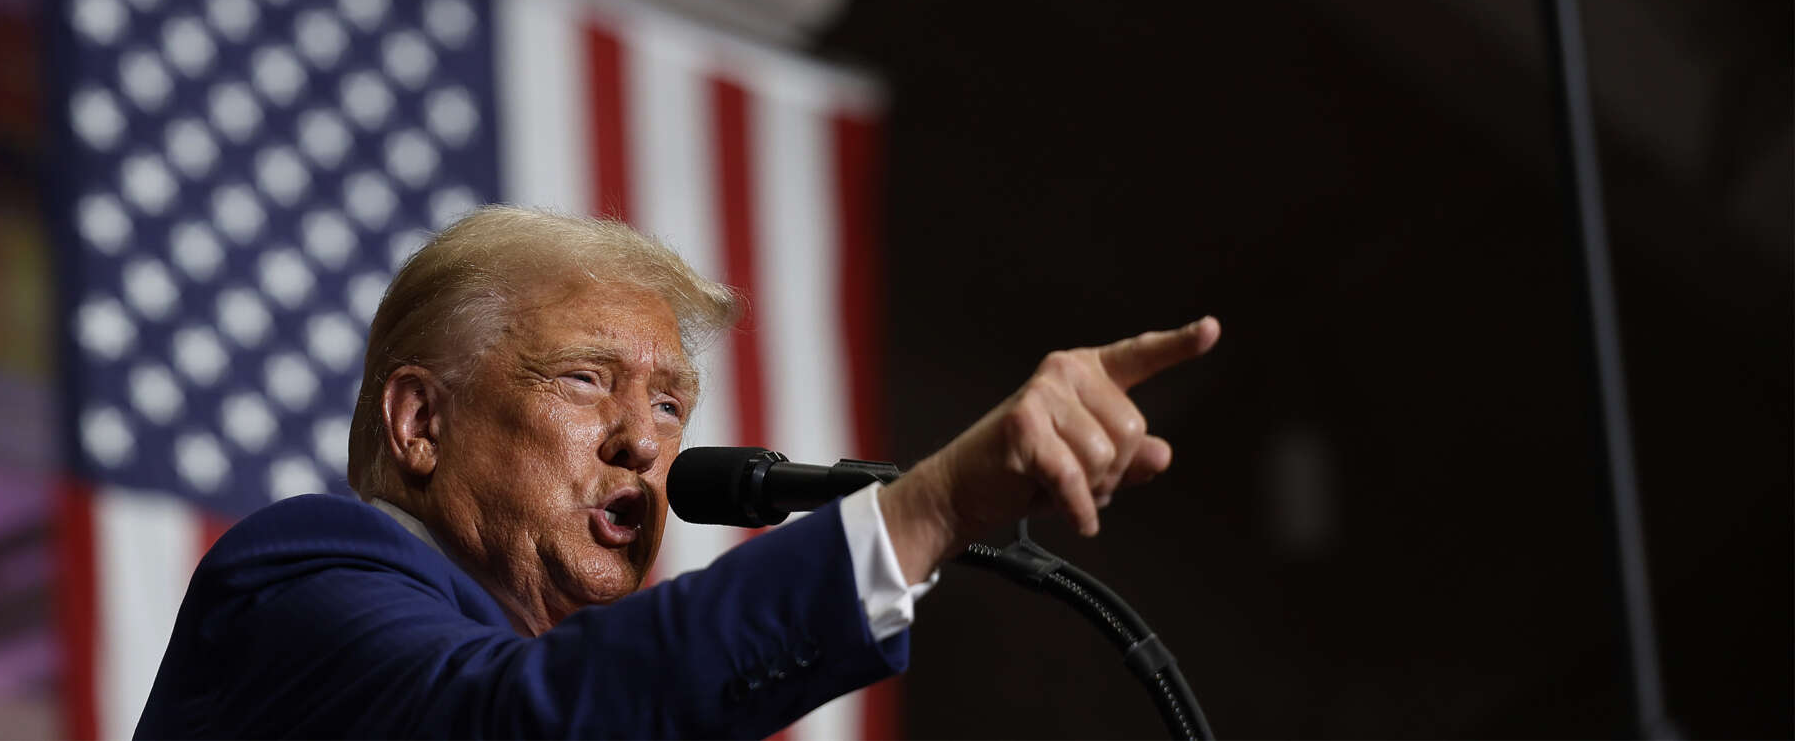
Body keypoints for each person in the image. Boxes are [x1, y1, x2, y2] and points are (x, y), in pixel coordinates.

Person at [135, 206, 1220, 739]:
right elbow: (522, 723)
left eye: (668, 403)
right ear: (421, 419)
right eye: (583, 379)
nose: (644, 441)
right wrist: (933, 505)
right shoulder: (298, 579)